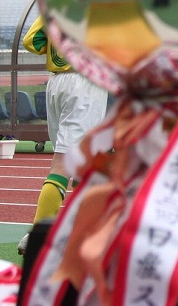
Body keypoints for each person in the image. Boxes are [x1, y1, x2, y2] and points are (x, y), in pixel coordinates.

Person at [17, 14, 109, 255]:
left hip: (57, 84)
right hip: (85, 84)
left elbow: (32, 41)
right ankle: (37, 236)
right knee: (63, 164)